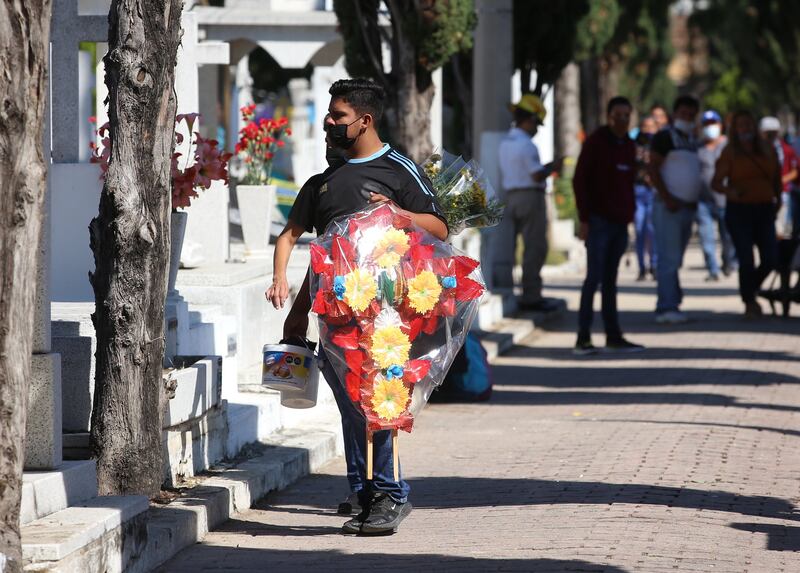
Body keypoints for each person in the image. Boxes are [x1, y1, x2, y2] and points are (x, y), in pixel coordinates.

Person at [267, 78, 448, 534]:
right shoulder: (324, 180)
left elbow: (440, 229)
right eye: (330, 114)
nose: (330, 121)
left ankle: (388, 494)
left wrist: (400, 214)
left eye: (338, 116)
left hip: (385, 316)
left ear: (364, 120)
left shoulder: (398, 168)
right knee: (351, 405)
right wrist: (294, 305)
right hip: (335, 316)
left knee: (378, 403)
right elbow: (308, 246)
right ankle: (364, 489)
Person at [572, 96, 644, 355]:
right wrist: (584, 219)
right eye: (618, 115)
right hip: (598, 222)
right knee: (593, 279)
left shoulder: (628, 144)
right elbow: (580, 180)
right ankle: (583, 338)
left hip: (619, 224)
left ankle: (614, 336)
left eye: (627, 115)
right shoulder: (596, 142)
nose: (623, 120)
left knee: (611, 282)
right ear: (609, 116)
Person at [497, 93, 562, 312]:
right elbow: (536, 175)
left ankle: (508, 288)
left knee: (510, 246)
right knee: (535, 247)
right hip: (530, 196)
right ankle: (531, 295)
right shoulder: (527, 145)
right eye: (538, 124)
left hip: (510, 196)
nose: (537, 129)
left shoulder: (506, 142)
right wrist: (552, 167)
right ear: (531, 120)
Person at [712, 110, 780, 317]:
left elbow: (776, 177)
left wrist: (777, 200)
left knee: (771, 258)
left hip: (764, 208)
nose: (745, 129)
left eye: (748, 125)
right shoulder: (730, 152)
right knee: (746, 257)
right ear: (735, 129)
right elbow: (716, 182)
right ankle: (749, 300)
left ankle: (751, 288)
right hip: (739, 210)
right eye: (741, 126)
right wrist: (731, 191)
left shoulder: (768, 149)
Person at [648, 95, 703, 324]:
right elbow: (653, 168)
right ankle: (666, 307)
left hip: (686, 208)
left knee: (675, 259)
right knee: (668, 259)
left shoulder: (690, 140)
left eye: (691, 115)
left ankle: (673, 300)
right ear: (674, 114)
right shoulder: (664, 137)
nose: (687, 118)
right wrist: (667, 197)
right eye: (683, 114)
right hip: (668, 206)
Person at [697, 109, 737, 281]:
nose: (710, 128)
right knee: (706, 237)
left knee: (727, 236)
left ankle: (728, 262)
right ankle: (712, 269)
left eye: (713, 124)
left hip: (724, 199)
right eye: (706, 125)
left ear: (720, 125)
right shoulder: (697, 147)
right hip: (703, 200)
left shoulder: (729, 146)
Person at [759, 116, 798, 238]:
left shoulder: (787, 150)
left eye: (773, 132)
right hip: (760, 194)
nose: (771, 136)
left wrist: (782, 180)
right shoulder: (754, 150)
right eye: (768, 133)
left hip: (782, 192)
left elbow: (795, 171)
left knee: (779, 228)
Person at [633, 115, 659, 281]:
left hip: (654, 191)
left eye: (651, 127)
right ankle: (641, 267)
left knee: (652, 229)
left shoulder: (659, 145)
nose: (648, 130)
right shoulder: (633, 145)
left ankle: (654, 265)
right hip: (638, 190)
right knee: (639, 229)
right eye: (645, 126)